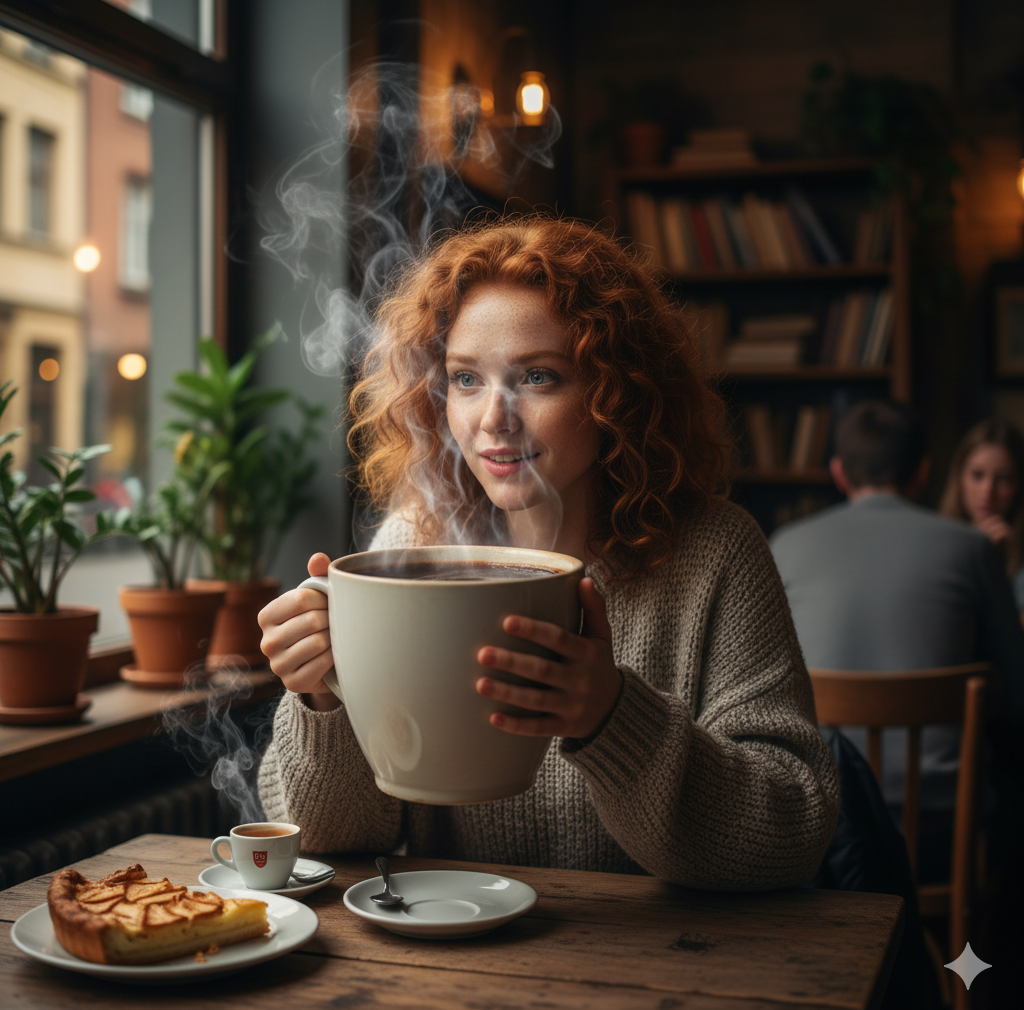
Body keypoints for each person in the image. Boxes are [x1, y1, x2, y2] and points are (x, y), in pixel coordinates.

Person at [257, 216, 839, 891]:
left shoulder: (714, 555)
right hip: (445, 963)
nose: (492, 419)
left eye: (537, 376)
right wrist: (323, 698)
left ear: (616, 393)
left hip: (663, 970)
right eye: (466, 379)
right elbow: (333, 839)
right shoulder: (413, 545)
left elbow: (793, 830)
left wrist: (614, 719)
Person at [769, 399, 1024, 878]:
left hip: (821, 826)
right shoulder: (973, 549)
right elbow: (1016, 697)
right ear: (923, 472)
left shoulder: (784, 544)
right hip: (939, 825)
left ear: (839, 473)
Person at [939, 417, 1024, 612]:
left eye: (1003, 478)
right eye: (977, 475)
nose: (988, 491)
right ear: (959, 477)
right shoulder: (937, 543)